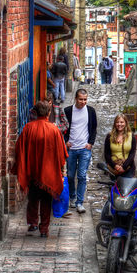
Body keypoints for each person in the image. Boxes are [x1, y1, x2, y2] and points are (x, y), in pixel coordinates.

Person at [11, 100, 68, 237]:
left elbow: (19, 149)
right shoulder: (54, 130)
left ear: (35, 113)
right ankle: (44, 229)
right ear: (49, 113)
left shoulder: (28, 128)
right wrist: (61, 170)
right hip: (48, 173)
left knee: (33, 198)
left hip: (32, 171)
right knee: (46, 201)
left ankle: (33, 223)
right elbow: (62, 153)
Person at [64, 89, 97, 213]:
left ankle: (79, 202)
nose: (83, 102)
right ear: (76, 99)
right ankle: (72, 197)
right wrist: (66, 141)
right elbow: (63, 128)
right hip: (71, 148)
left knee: (82, 176)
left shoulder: (91, 111)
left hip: (84, 149)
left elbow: (94, 128)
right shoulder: (68, 111)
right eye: (81, 99)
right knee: (71, 175)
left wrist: (91, 143)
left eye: (85, 99)